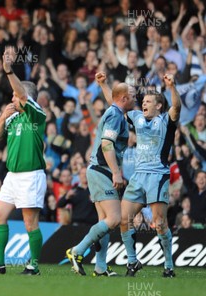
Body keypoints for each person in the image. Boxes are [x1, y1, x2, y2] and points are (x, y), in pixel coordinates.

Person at [0, 49, 47, 276]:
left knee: (29, 223)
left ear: (25, 97)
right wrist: (3, 116)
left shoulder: (36, 114)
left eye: (16, 96)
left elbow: (22, 96)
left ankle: (33, 265)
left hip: (31, 175)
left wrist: (8, 69)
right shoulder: (14, 116)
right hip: (12, 176)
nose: (13, 98)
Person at [66, 72, 136, 276]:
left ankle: (100, 266)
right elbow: (107, 144)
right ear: (124, 99)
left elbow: (114, 99)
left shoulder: (115, 110)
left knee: (104, 222)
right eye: (132, 95)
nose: (135, 98)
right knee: (114, 219)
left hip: (97, 170)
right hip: (103, 171)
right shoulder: (116, 115)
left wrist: (104, 84)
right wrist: (116, 172)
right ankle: (77, 251)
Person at [119, 74, 180, 278]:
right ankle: (132, 261)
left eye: (148, 101)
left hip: (158, 176)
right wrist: (102, 84)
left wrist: (172, 87)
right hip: (138, 177)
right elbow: (118, 106)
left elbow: (177, 108)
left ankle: (169, 266)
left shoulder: (165, 120)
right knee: (124, 219)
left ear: (159, 106)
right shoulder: (136, 117)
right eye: (143, 101)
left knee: (159, 222)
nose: (143, 103)